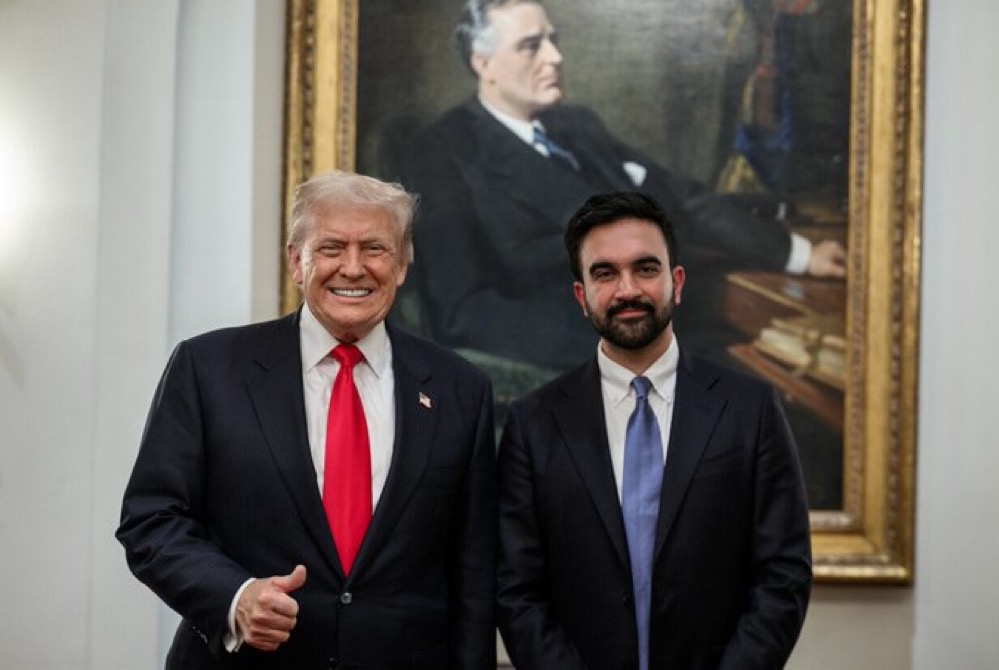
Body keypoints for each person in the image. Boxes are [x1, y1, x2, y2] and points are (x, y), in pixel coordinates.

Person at [116, 170, 497, 669]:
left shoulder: (459, 388)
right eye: (332, 247)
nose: (354, 268)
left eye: (376, 249)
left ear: (402, 264)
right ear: (297, 261)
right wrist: (235, 597)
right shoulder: (208, 368)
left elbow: (474, 572)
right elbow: (151, 519)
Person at [393, 0, 846, 379]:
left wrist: (798, 253)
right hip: (569, 367)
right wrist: (618, 347)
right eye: (531, 46)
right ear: (483, 62)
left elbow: (682, 197)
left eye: (554, 40)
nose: (554, 57)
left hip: (662, 335)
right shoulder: (443, 152)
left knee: (782, 379)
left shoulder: (577, 125)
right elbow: (463, 311)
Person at [496, 191, 812, 669]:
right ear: (581, 296)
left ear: (677, 282)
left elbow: (783, 575)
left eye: (646, 269)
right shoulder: (533, 423)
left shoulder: (751, 409)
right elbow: (516, 590)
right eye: (605, 273)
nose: (628, 290)